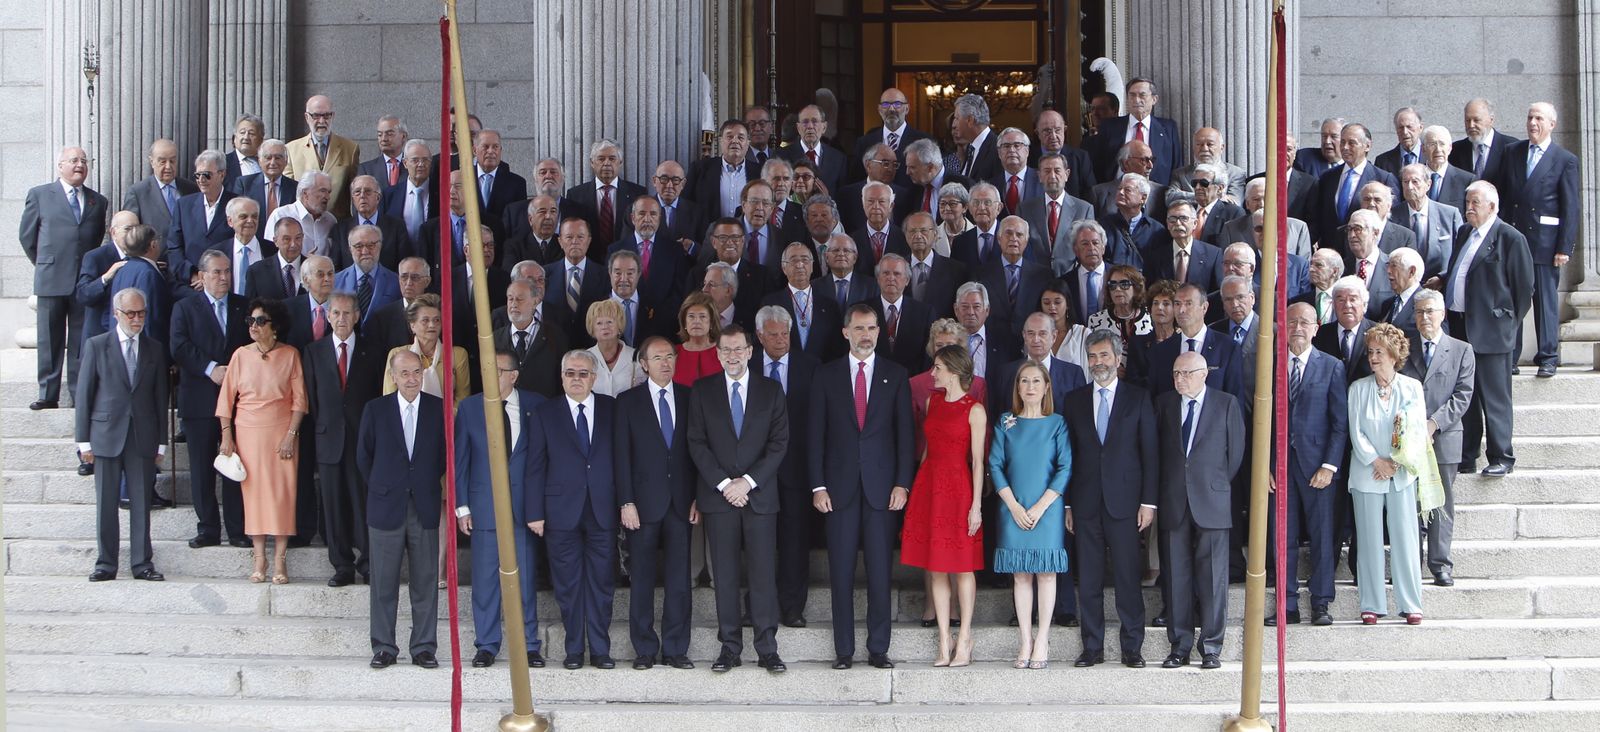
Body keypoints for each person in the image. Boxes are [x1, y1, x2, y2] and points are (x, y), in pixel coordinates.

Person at [810, 304, 914, 671]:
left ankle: (878, 649)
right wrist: (818, 486)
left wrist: (903, 483)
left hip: (882, 490)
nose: (867, 334)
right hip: (837, 491)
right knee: (840, 572)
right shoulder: (825, 376)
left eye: (872, 328)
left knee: (880, 572)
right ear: (846, 333)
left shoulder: (896, 375)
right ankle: (843, 651)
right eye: (859, 328)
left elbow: (905, 436)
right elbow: (815, 437)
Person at [686, 324, 790, 674]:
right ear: (718, 354)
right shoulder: (702, 391)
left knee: (763, 575)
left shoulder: (771, 390)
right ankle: (729, 647)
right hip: (719, 499)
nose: (732, 356)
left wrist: (745, 483)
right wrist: (723, 484)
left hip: (759, 497)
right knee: (725, 577)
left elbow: (779, 444)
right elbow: (696, 443)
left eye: (738, 349)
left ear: (750, 351)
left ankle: (767, 648)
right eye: (725, 350)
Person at [1063, 329, 1158, 667]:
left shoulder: (1138, 397)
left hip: (1126, 504)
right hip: (1086, 503)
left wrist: (1149, 502)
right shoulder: (1074, 400)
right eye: (1093, 356)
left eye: (1104, 356)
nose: (1098, 362)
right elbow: (1069, 456)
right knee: (1088, 578)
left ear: (1118, 359)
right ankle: (1092, 647)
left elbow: (1150, 453)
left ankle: (1132, 646)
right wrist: (1069, 504)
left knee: (1127, 577)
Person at [527, 350, 619, 670]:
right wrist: (534, 511)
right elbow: (535, 466)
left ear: (594, 378)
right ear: (561, 376)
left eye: (583, 373)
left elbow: (621, 461)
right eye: (570, 373)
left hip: (603, 509)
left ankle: (601, 650)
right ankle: (574, 650)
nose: (576, 379)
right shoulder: (544, 412)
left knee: (602, 584)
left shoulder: (612, 408)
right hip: (559, 512)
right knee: (567, 585)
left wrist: (625, 503)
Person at [356, 349, 447, 669]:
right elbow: (364, 457)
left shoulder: (439, 410)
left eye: (417, 372)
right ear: (393, 377)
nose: (412, 379)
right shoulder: (376, 409)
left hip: (423, 504)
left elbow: (443, 457)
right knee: (383, 582)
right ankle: (384, 647)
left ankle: (423, 647)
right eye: (405, 373)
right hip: (385, 507)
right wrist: (385, 486)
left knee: (425, 581)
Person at [456, 350, 545, 669]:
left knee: (524, 579)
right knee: (485, 581)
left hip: (524, 509)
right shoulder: (469, 407)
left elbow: (543, 460)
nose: (490, 376)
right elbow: (461, 460)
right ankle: (487, 644)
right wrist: (461, 507)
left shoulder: (536, 405)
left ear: (513, 375)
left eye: (498, 370)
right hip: (484, 506)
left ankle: (530, 645)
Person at [1156, 351, 1245, 670]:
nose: (1179, 379)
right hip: (1173, 500)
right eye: (1176, 373)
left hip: (1212, 500)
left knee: (1212, 577)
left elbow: (1234, 456)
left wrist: (1211, 484)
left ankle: (1211, 646)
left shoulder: (1226, 403)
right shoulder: (1164, 404)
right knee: (1176, 577)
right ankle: (1178, 646)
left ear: (1204, 373)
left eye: (1186, 373)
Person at [614, 337, 698, 669]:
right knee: (643, 578)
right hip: (642, 504)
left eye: (670, 356)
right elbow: (621, 456)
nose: (665, 362)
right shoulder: (627, 401)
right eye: (657, 357)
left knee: (680, 580)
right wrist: (626, 501)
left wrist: (697, 497)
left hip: (681, 501)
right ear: (644, 364)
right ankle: (645, 649)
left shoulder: (691, 398)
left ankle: (676, 648)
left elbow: (697, 452)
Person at [900, 345, 986, 667]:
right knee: (935, 567)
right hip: (930, 486)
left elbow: (977, 462)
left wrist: (976, 505)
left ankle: (964, 637)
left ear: (953, 369)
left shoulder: (974, 409)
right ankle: (943, 639)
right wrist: (916, 488)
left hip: (959, 489)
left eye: (937, 367)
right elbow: (926, 451)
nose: (932, 373)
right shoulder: (930, 401)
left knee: (963, 567)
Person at [77, 288, 168, 582]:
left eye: (142, 313)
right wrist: (83, 442)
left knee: (141, 502)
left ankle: (142, 563)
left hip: (142, 435)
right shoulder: (97, 345)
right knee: (106, 503)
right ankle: (106, 562)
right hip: (105, 434)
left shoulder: (155, 348)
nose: (137, 319)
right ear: (117, 314)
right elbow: (85, 396)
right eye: (131, 313)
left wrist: (162, 442)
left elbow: (160, 399)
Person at [217, 297, 308, 585]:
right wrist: (227, 437)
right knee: (253, 495)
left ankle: (280, 559)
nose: (254, 327)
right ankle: (260, 558)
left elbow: (300, 401)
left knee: (283, 494)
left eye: (260, 321)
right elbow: (226, 400)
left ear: (275, 326)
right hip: (248, 432)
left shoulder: (290, 354)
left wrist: (290, 436)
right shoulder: (240, 355)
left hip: (282, 432)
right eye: (251, 321)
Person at [1445, 182, 1532, 477]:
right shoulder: (1464, 233)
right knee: (1465, 396)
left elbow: (1524, 288)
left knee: (1494, 396)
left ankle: (1501, 456)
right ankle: (1468, 455)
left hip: (1492, 330)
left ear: (1492, 207)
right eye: (1467, 202)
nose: (1468, 208)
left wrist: (1506, 321)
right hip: (1460, 326)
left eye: (1475, 203)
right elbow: (1461, 271)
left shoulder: (1510, 237)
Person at [1347, 323, 1431, 625]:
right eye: (1370, 352)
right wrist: (1376, 462)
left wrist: (1396, 461)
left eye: (1379, 352)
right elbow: (1356, 432)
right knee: (1368, 540)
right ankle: (1371, 603)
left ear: (1394, 355)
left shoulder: (1412, 388)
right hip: (1367, 473)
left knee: (1406, 538)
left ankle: (1411, 602)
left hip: (1401, 473)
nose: (1373, 357)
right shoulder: (1358, 389)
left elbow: (1417, 428)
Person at [989, 359, 1071, 669]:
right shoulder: (1005, 422)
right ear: (1017, 387)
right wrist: (1013, 505)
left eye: (1036, 381)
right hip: (1013, 507)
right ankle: (1025, 638)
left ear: (1047, 386)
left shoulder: (1058, 423)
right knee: (1021, 575)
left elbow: (1065, 467)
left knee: (1046, 574)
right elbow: (995, 464)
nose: (1030, 387)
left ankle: (1043, 638)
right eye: (1024, 381)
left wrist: (1039, 507)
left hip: (1046, 511)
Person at [1272, 303, 1348, 627]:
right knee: (1282, 537)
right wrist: (1266, 466)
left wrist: (1329, 466)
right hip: (1281, 467)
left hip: (1318, 466)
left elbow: (1339, 422)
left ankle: (1321, 602)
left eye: (1304, 322)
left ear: (1316, 327)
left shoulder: (1331, 366)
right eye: (1292, 322)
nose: (1298, 328)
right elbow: (1260, 420)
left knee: (1322, 534)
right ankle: (1287, 604)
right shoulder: (1272, 367)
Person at [302, 292, 385, 586]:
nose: (341, 319)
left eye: (347, 313)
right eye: (335, 313)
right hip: (328, 440)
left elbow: (377, 398)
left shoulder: (372, 351)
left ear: (357, 316)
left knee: (362, 502)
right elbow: (312, 399)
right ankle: (342, 566)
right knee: (333, 505)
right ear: (327, 316)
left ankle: (368, 564)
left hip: (362, 440)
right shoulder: (313, 352)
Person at [169, 249, 251, 549]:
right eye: (216, 272)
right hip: (200, 399)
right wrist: (210, 368)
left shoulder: (243, 306)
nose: (223, 277)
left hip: (237, 402)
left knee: (235, 465)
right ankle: (208, 528)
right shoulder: (185, 307)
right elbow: (178, 345)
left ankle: (237, 529)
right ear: (202, 277)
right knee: (202, 467)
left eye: (227, 271)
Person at [22, 146, 108, 411]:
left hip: (83, 281)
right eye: (73, 160)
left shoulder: (98, 201)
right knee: (50, 338)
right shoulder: (39, 195)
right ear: (60, 166)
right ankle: (48, 394)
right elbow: (27, 237)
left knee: (81, 340)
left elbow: (94, 240)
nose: (79, 165)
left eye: (84, 161)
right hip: (51, 278)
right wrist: (46, 263)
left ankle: (78, 394)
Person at [754, 306, 822, 627]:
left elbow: (818, 422)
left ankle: (792, 607)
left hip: (797, 468)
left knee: (795, 541)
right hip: (755, 470)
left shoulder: (810, 367)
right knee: (758, 542)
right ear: (759, 336)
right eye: (773, 334)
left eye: (785, 334)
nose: (781, 340)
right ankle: (756, 606)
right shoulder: (748, 365)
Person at [1402, 290, 1475, 587]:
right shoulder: (1405, 346)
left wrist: (1434, 424)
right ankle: (1409, 564)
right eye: (1419, 312)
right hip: (1408, 440)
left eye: (1430, 311)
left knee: (1440, 503)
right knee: (1408, 504)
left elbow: (1463, 395)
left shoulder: (1461, 350)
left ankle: (1440, 564)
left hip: (1443, 439)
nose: (1425, 317)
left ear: (1443, 314)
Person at [1500, 102, 1579, 378]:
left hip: (1545, 243)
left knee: (1545, 302)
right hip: (1515, 240)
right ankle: (1510, 356)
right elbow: (1506, 197)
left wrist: (1564, 247)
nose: (1532, 123)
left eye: (1539, 119)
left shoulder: (1564, 159)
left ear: (1552, 125)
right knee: (1514, 301)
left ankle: (1548, 357)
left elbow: (1571, 208)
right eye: (1530, 117)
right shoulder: (1513, 152)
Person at [284, 94, 361, 219]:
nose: (321, 121)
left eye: (326, 115)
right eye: (316, 116)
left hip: (336, 224)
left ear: (333, 116)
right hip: (302, 224)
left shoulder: (350, 149)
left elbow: (354, 190)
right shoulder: (291, 149)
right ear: (306, 117)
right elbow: (290, 192)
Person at [381, 293, 470, 402]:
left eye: (437, 320)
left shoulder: (457, 355)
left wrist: (443, 417)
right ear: (412, 325)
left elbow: (463, 399)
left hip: (446, 418)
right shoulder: (397, 354)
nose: (432, 325)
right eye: (425, 320)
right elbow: (389, 398)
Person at [584, 299, 643, 396]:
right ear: (592, 328)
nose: (605, 327)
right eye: (599, 323)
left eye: (610, 322)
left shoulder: (636, 357)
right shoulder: (584, 358)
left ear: (619, 326)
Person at [1087, 265, 1151, 347]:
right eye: (1112, 285)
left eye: (1124, 284)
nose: (1117, 289)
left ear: (1136, 288)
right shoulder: (1096, 320)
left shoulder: (1151, 315)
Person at [673, 292, 722, 386]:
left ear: (711, 322)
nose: (696, 322)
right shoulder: (674, 353)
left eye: (702, 316)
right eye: (691, 316)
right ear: (684, 322)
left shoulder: (723, 352)